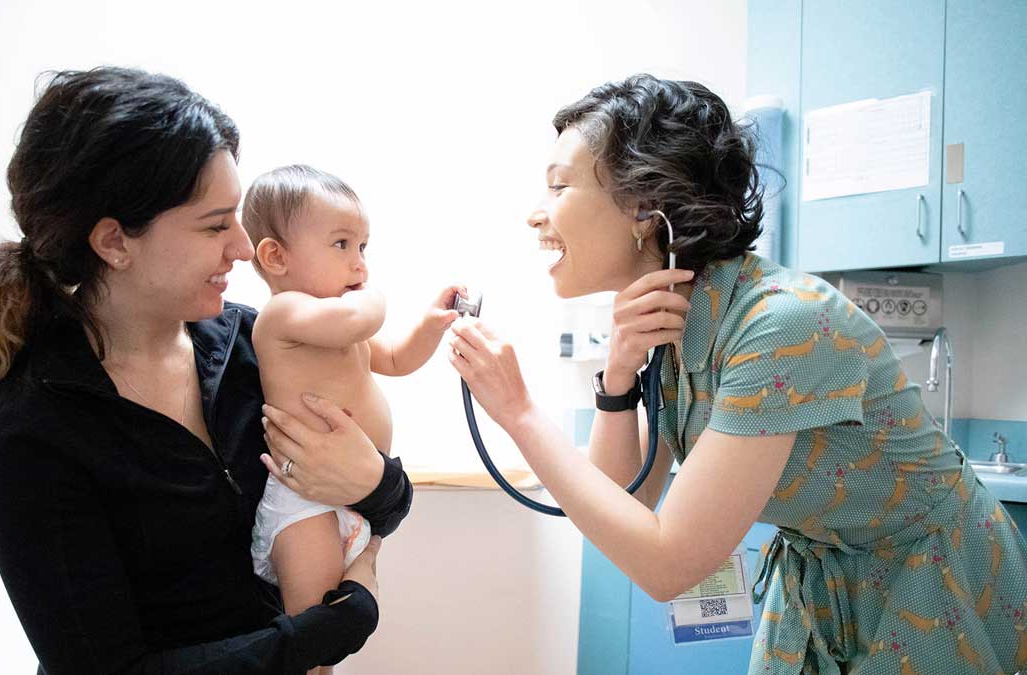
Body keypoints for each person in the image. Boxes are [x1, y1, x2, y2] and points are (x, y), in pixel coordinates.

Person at [439, 74, 1027, 674]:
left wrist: (518, 412)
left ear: (645, 206)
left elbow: (667, 564)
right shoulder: (678, 320)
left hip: (932, 579)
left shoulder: (782, 324)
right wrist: (616, 379)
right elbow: (622, 504)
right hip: (819, 579)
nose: (535, 216)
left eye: (559, 187)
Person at [0, 67, 413, 675]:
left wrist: (375, 483)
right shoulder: (34, 425)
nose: (242, 246)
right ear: (114, 242)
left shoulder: (245, 342)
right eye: (215, 225)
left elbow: (367, 500)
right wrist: (342, 621)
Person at [241, 165, 463, 674]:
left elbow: (396, 358)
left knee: (333, 641)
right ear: (275, 256)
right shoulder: (284, 316)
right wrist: (374, 299)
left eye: (363, 248)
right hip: (303, 507)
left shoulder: (342, 327)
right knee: (312, 635)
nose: (359, 265)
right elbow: (362, 318)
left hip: (349, 496)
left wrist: (429, 327)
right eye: (342, 245)